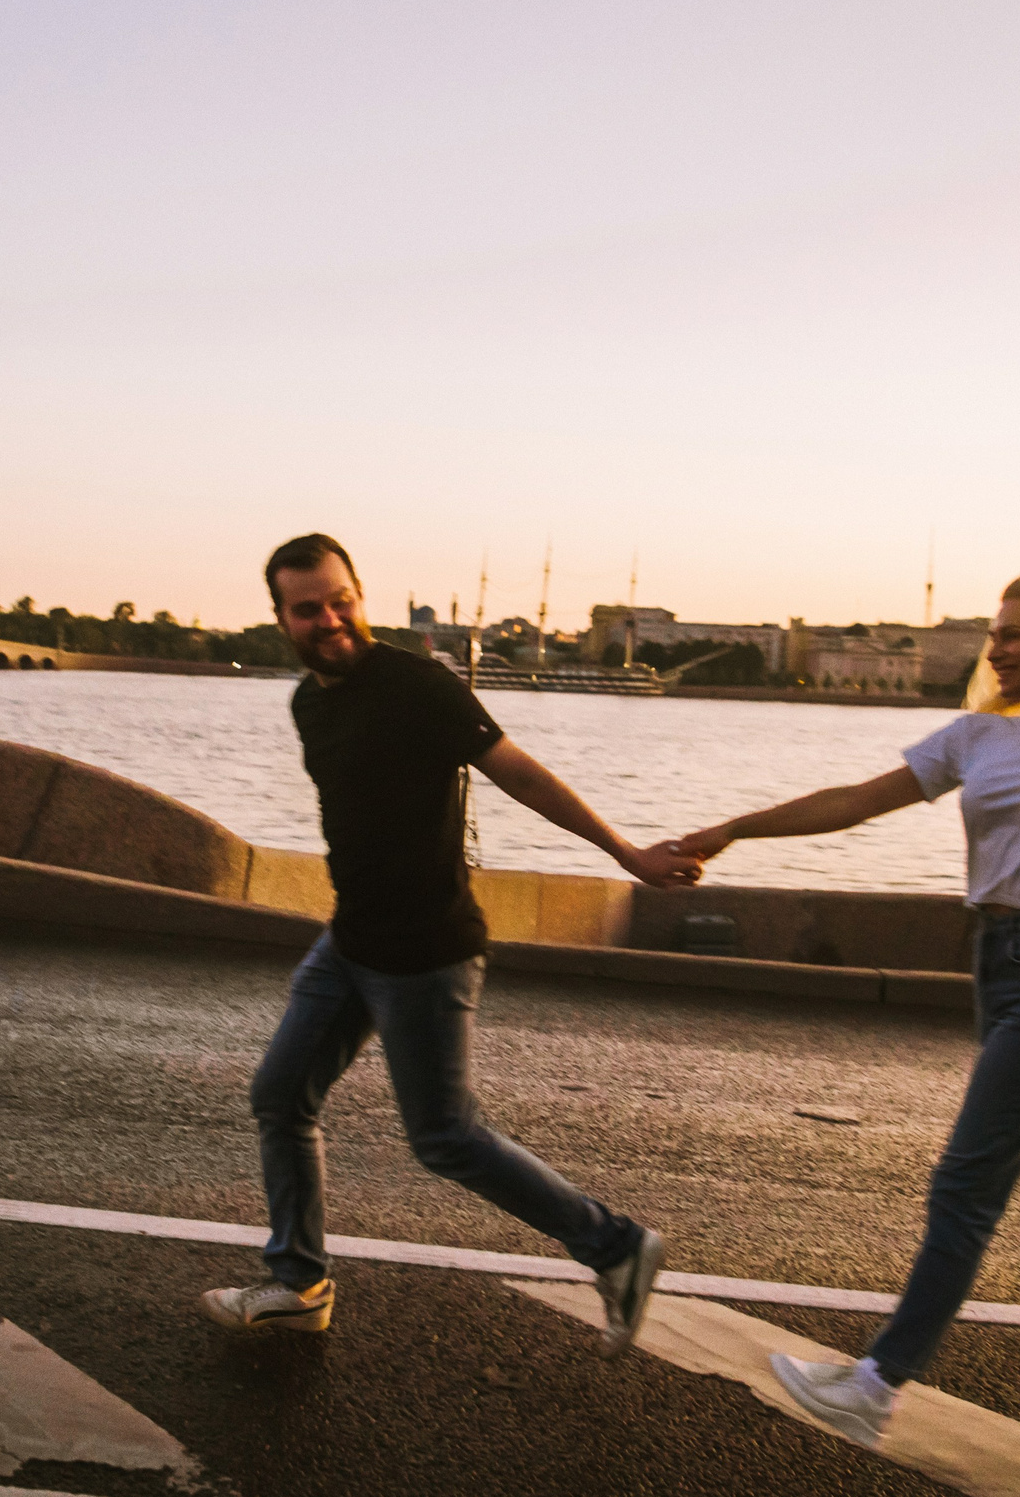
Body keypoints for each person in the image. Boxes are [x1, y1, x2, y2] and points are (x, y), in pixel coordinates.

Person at [668, 565, 1020, 1447]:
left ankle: (876, 1382)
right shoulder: (978, 737)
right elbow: (855, 802)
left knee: (967, 1182)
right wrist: (734, 827)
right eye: (994, 635)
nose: (997, 649)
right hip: (997, 968)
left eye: (1014, 633)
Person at [201, 533, 695, 1357]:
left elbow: (522, 774)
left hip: (426, 951)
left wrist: (626, 853)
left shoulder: (417, 685)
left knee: (445, 1138)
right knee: (280, 1096)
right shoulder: (308, 703)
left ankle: (615, 1245)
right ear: (282, 617)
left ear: (360, 594)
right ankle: (298, 1283)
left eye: (340, 600)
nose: (329, 620)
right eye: (308, 608)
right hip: (351, 941)